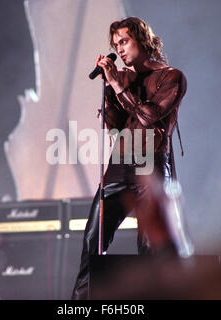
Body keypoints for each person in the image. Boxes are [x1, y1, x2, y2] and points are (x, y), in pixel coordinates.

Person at [71, 17, 187, 300]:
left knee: (150, 247)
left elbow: (148, 117)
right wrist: (110, 91)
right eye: (115, 45)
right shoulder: (123, 79)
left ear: (142, 40)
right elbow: (114, 127)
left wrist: (118, 86)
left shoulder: (171, 77)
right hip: (119, 166)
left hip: (152, 166)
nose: (119, 50)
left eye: (124, 41)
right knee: (92, 242)